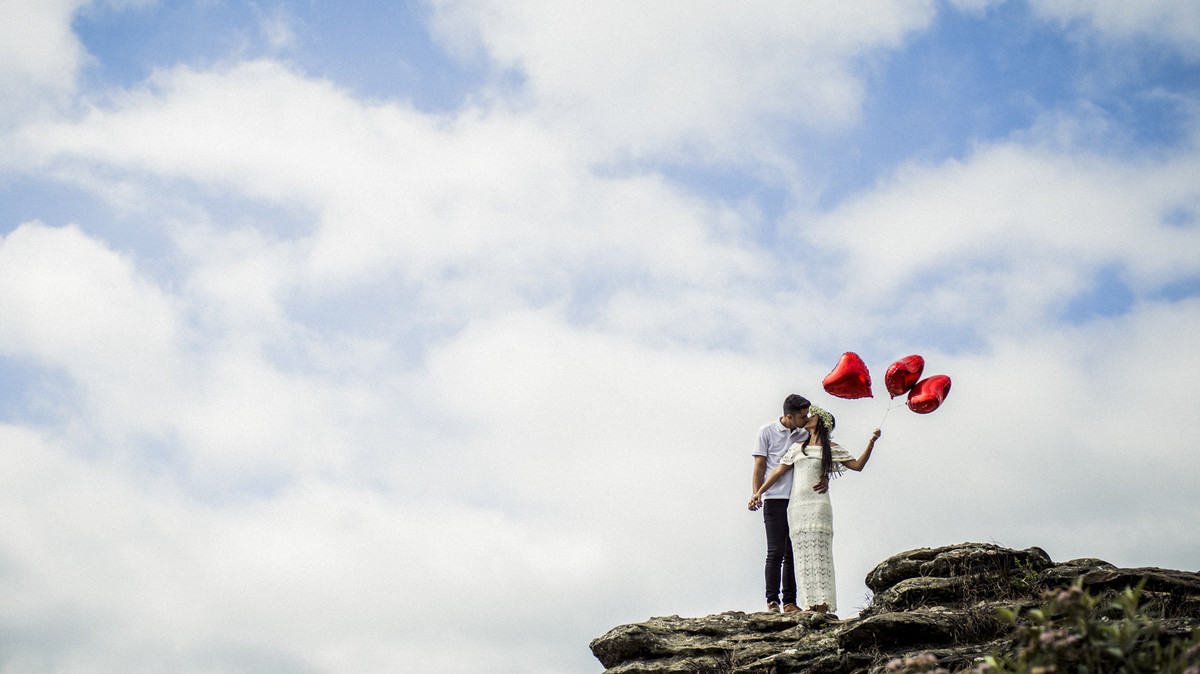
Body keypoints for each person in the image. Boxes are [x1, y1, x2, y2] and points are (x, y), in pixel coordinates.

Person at [748, 406, 881, 615]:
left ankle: (823, 604)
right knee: (800, 554)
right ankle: (809, 603)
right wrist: (758, 493)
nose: (808, 418)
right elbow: (777, 471)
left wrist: (871, 444)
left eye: (813, 416)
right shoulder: (798, 446)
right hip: (796, 506)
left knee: (820, 553)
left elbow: (857, 465)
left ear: (821, 423)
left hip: (818, 505)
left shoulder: (831, 448)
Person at [751, 394, 812, 613]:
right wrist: (756, 493)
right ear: (789, 416)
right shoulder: (766, 431)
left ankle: (789, 601)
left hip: (797, 498)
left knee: (792, 552)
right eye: (803, 416)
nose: (807, 419)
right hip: (774, 497)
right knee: (775, 551)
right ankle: (772, 601)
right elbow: (760, 464)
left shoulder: (805, 433)